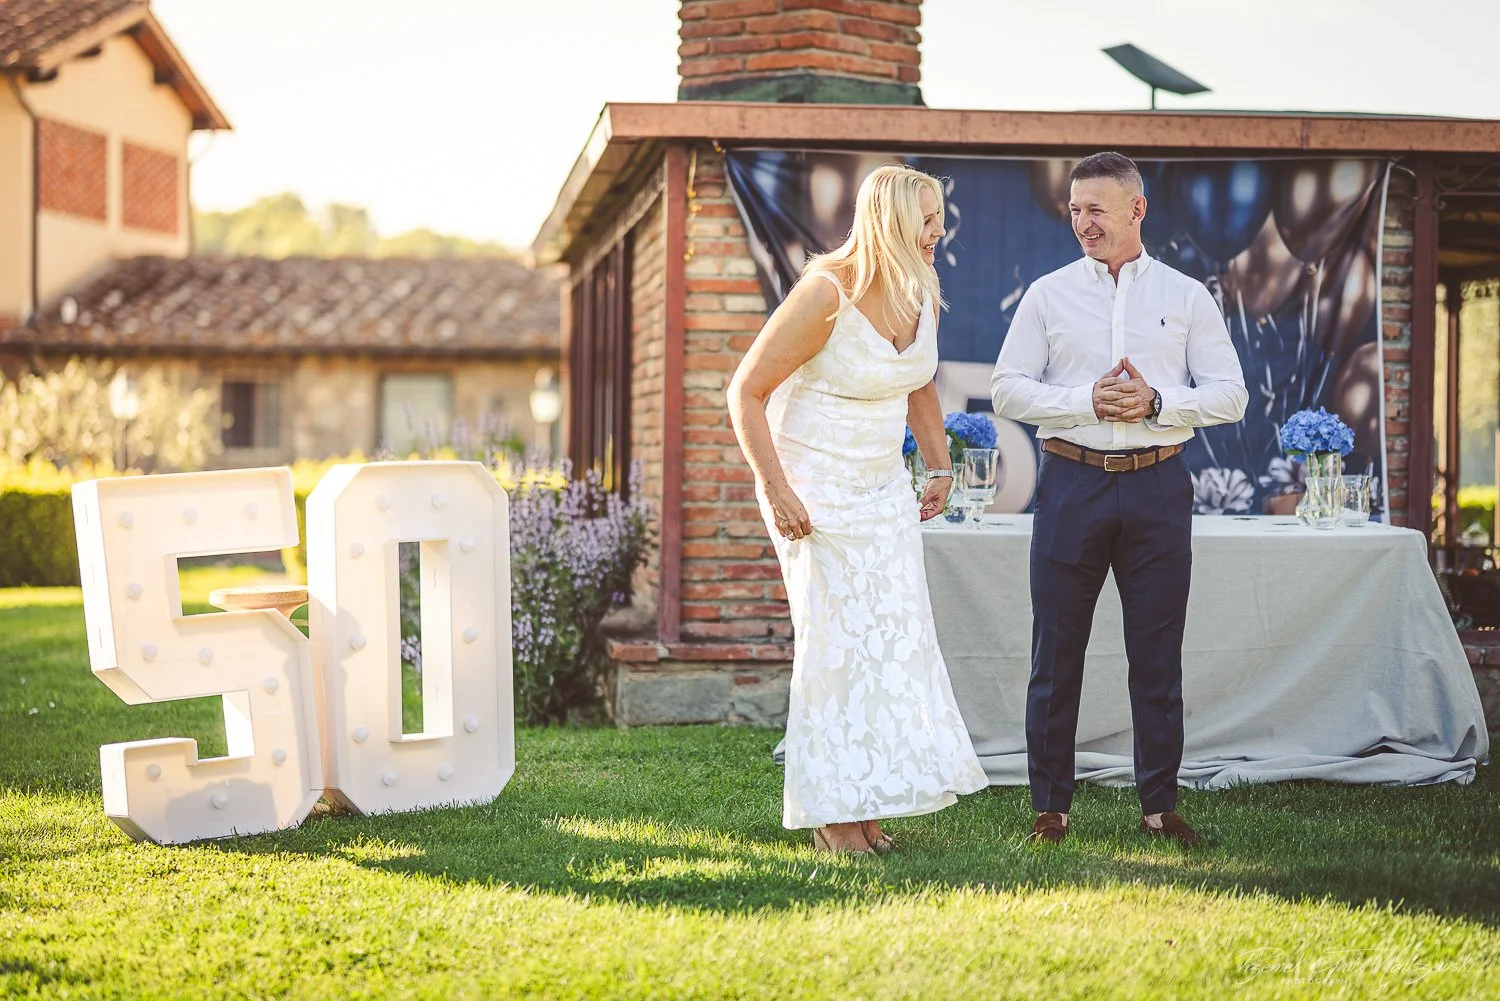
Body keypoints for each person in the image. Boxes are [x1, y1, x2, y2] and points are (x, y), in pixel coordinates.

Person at [727, 163, 988, 855]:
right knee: (836, 649)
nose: (938, 232)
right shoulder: (826, 293)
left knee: (891, 645)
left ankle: (869, 805)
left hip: (882, 490)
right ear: (892, 222)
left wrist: (938, 465)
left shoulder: (919, 291)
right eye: (927, 221)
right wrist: (777, 489)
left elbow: (919, 382)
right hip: (812, 493)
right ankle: (833, 818)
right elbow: (745, 391)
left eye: (938, 220)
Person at [990, 152, 1248, 847]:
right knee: (1055, 653)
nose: (1083, 223)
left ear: (1137, 210)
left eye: (1096, 210)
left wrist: (1159, 401)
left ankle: (1160, 805)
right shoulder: (1047, 295)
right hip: (1071, 482)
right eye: (1075, 210)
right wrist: (1085, 400)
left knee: (1157, 653)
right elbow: (1007, 388)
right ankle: (1050, 808)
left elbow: (1231, 395)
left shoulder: (1186, 296)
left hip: (1159, 484)